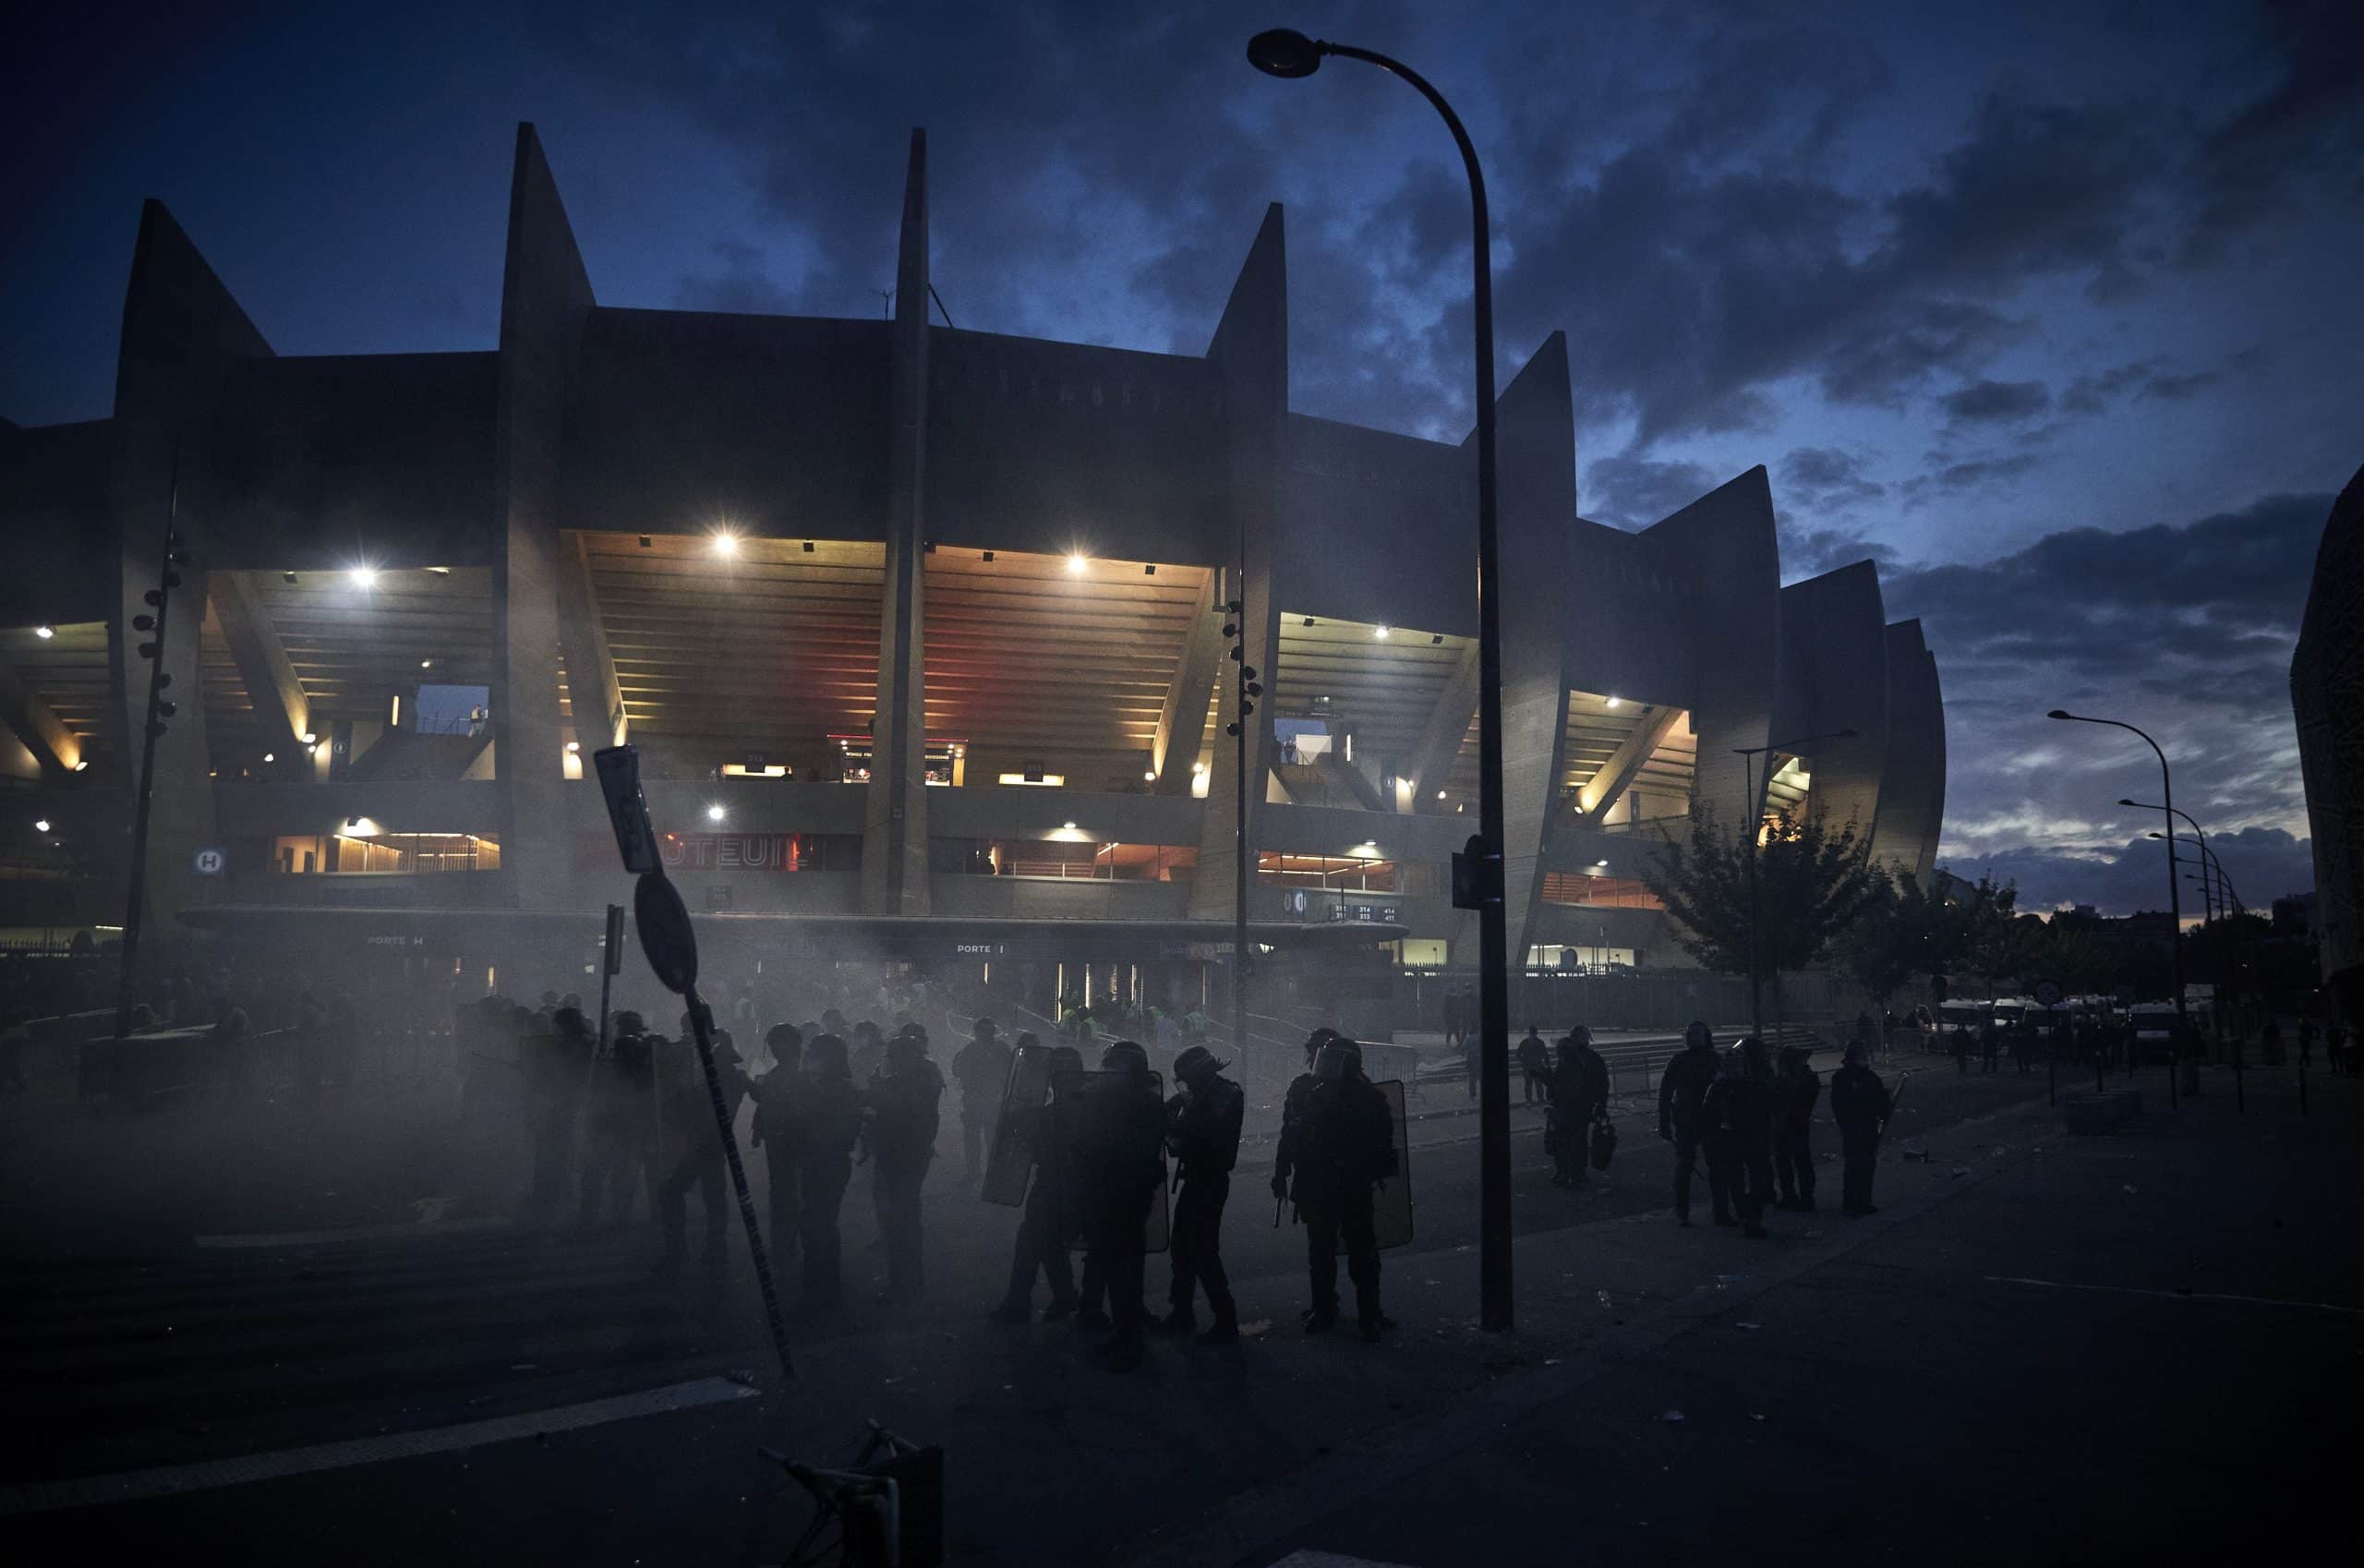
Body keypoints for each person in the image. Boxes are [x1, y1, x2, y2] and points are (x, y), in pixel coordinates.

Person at [1273, 1037, 1398, 1340]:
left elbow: (1294, 1137)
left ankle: (1340, 1310)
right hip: (1342, 1186)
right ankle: (1362, 1314)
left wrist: (1283, 1172)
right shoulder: (1366, 1097)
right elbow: (1293, 1135)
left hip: (1332, 1186)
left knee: (1331, 1251)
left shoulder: (1331, 1097)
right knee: (1351, 1252)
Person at [1077, 1041, 1167, 1371]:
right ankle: (1123, 1332)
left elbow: (1131, 1150)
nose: (1108, 1074)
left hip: (1127, 1195)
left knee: (1125, 1271)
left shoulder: (1143, 1105)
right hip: (1109, 1193)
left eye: (1115, 1069)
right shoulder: (1117, 1101)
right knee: (1116, 1271)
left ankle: (1130, 1343)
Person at [991, 1043, 1084, 1324]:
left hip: (1062, 1188)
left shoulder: (1059, 1113)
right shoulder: (1081, 1108)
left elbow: (1036, 1147)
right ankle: (1058, 1296)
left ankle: (1026, 1301)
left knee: (1037, 1240)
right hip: (1062, 1187)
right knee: (1040, 1241)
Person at [1157, 1043, 1245, 1344]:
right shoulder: (1208, 1095)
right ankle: (1182, 1311)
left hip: (1209, 1178)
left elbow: (1189, 1139)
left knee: (1203, 1251)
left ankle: (1225, 1318)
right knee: (1182, 1248)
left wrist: (1171, 1123)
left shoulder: (1222, 1095)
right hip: (1198, 1178)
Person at [656, 1010, 749, 1271]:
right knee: (713, 1194)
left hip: (707, 1139)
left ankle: (681, 1252)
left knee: (674, 1193)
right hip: (709, 1139)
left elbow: (698, 1102)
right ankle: (714, 1248)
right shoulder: (720, 1067)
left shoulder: (720, 1069)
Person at [866, 1026, 943, 1303]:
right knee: (903, 1218)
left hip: (905, 1155)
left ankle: (904, 1280)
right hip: (902, 1154)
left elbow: (880, 1102)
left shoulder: (912, 1083)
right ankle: (910, 1278)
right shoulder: (922, 1078)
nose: (894, 1061)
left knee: (901, 1219)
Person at [794, 1033, 863, 1317]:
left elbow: (841, 1131)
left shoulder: (841, 1090)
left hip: (828, 1163)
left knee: (819, 1226)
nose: (811, 1059)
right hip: (816, 1162)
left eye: (816, 1054)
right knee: (815, 1225)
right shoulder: (818, 1086)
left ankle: (823, 1293)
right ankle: (820, 1290)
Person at [577, 1013, 657, 1231]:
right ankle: (613, 1219)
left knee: (603, 1174)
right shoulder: (640, 1062)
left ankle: (597, 1219)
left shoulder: (624, 1059)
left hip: (615, 1125)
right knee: (616, 1176)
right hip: (619, 1124)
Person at [1700, 1039, 1773, 1237]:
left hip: (1739, 1139)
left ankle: (1747, 1216)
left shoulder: (1725, 1088)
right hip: (1740, 1139)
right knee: (1742, 1180)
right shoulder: (1739, 1087)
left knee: (1741, 1181)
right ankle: (1749, 1218)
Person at [526, 1006, 593, 1215]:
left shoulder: (579, 1044)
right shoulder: (578, 1043)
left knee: (556, 1151)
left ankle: (552, 1194)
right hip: (560, 1105)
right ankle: (551, 1193)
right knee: (552, 1150)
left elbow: (564, 1070)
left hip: (566, 1105)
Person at [749, 1022, 804, 1263]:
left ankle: (787, 1245)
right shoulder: (781, 1070)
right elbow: (766, 1103)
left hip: (793, 1141)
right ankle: (784, 1244)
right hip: (779, 1140)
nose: (772, 1048)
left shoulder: (801, 1071)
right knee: (783, 1192)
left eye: (776, 1043)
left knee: (789, 1193)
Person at [1658, 1021, 1720, 1226]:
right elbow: (1665, 1092)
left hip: (1697, 1118)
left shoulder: (1683, 1060)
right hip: (1697, 1119)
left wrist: (1665, 1121)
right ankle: (1715, 1211)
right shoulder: (1712, 1059)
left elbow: (1666, 1093)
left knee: (1693, 1166)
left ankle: (1687, 1210)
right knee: (1705, 1166)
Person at [1829, 1041, 1894, 1216]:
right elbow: (1878, 1103)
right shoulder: (1868, 1078)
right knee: (1863, 1165)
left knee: (1853, 1165)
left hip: (1853, 1127)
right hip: (1863, 1127)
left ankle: (1851, 1200)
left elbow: (1838, 1105)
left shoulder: (1841, 1077)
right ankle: (1861, 1201)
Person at [951, 1017, 1014, 1183]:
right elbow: (959, 1071)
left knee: (986, 1138)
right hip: (979, 1100)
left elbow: (958, 1071)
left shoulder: (997, 1049)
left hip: (989, 1100)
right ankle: (983, 1173)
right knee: (981, 1138)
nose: (986, 1035)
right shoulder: (973, 1049)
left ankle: (984, 1173)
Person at [1547, 1028, 1609, 1187]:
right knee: (1577, 1140)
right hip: (1580, 1106)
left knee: (1565, 1140)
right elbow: (1602, 1084)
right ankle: (1576, 1173)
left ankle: (1566, 1172)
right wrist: (1601, 1106)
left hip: (1568, 1106)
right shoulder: (1589, 1058)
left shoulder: (1570, 1058)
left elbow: (1556, 1084)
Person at [1772, 1043, 1821, 1212]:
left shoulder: (1786, 1080)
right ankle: (1805, 1197)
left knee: (1786, 1161)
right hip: (1799, 1122)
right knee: (1801, 1161)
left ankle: (1791, 1196)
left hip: (1787, 1123)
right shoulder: (1807, 1078)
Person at [1517, 1026, 1550, 1106]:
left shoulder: (1524, 1042)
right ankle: (1540, 1100)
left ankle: (1529, 1101)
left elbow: (1518, 1054)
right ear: (1536, 1033)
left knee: (1528, 1085)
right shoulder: (1540, 1042)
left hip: (1527, 1066)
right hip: (1537, 1066)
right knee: (1539, 1085)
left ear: (1529, 1033)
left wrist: (1523, 1061)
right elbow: (1545, 1054)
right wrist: (1546, 1064)